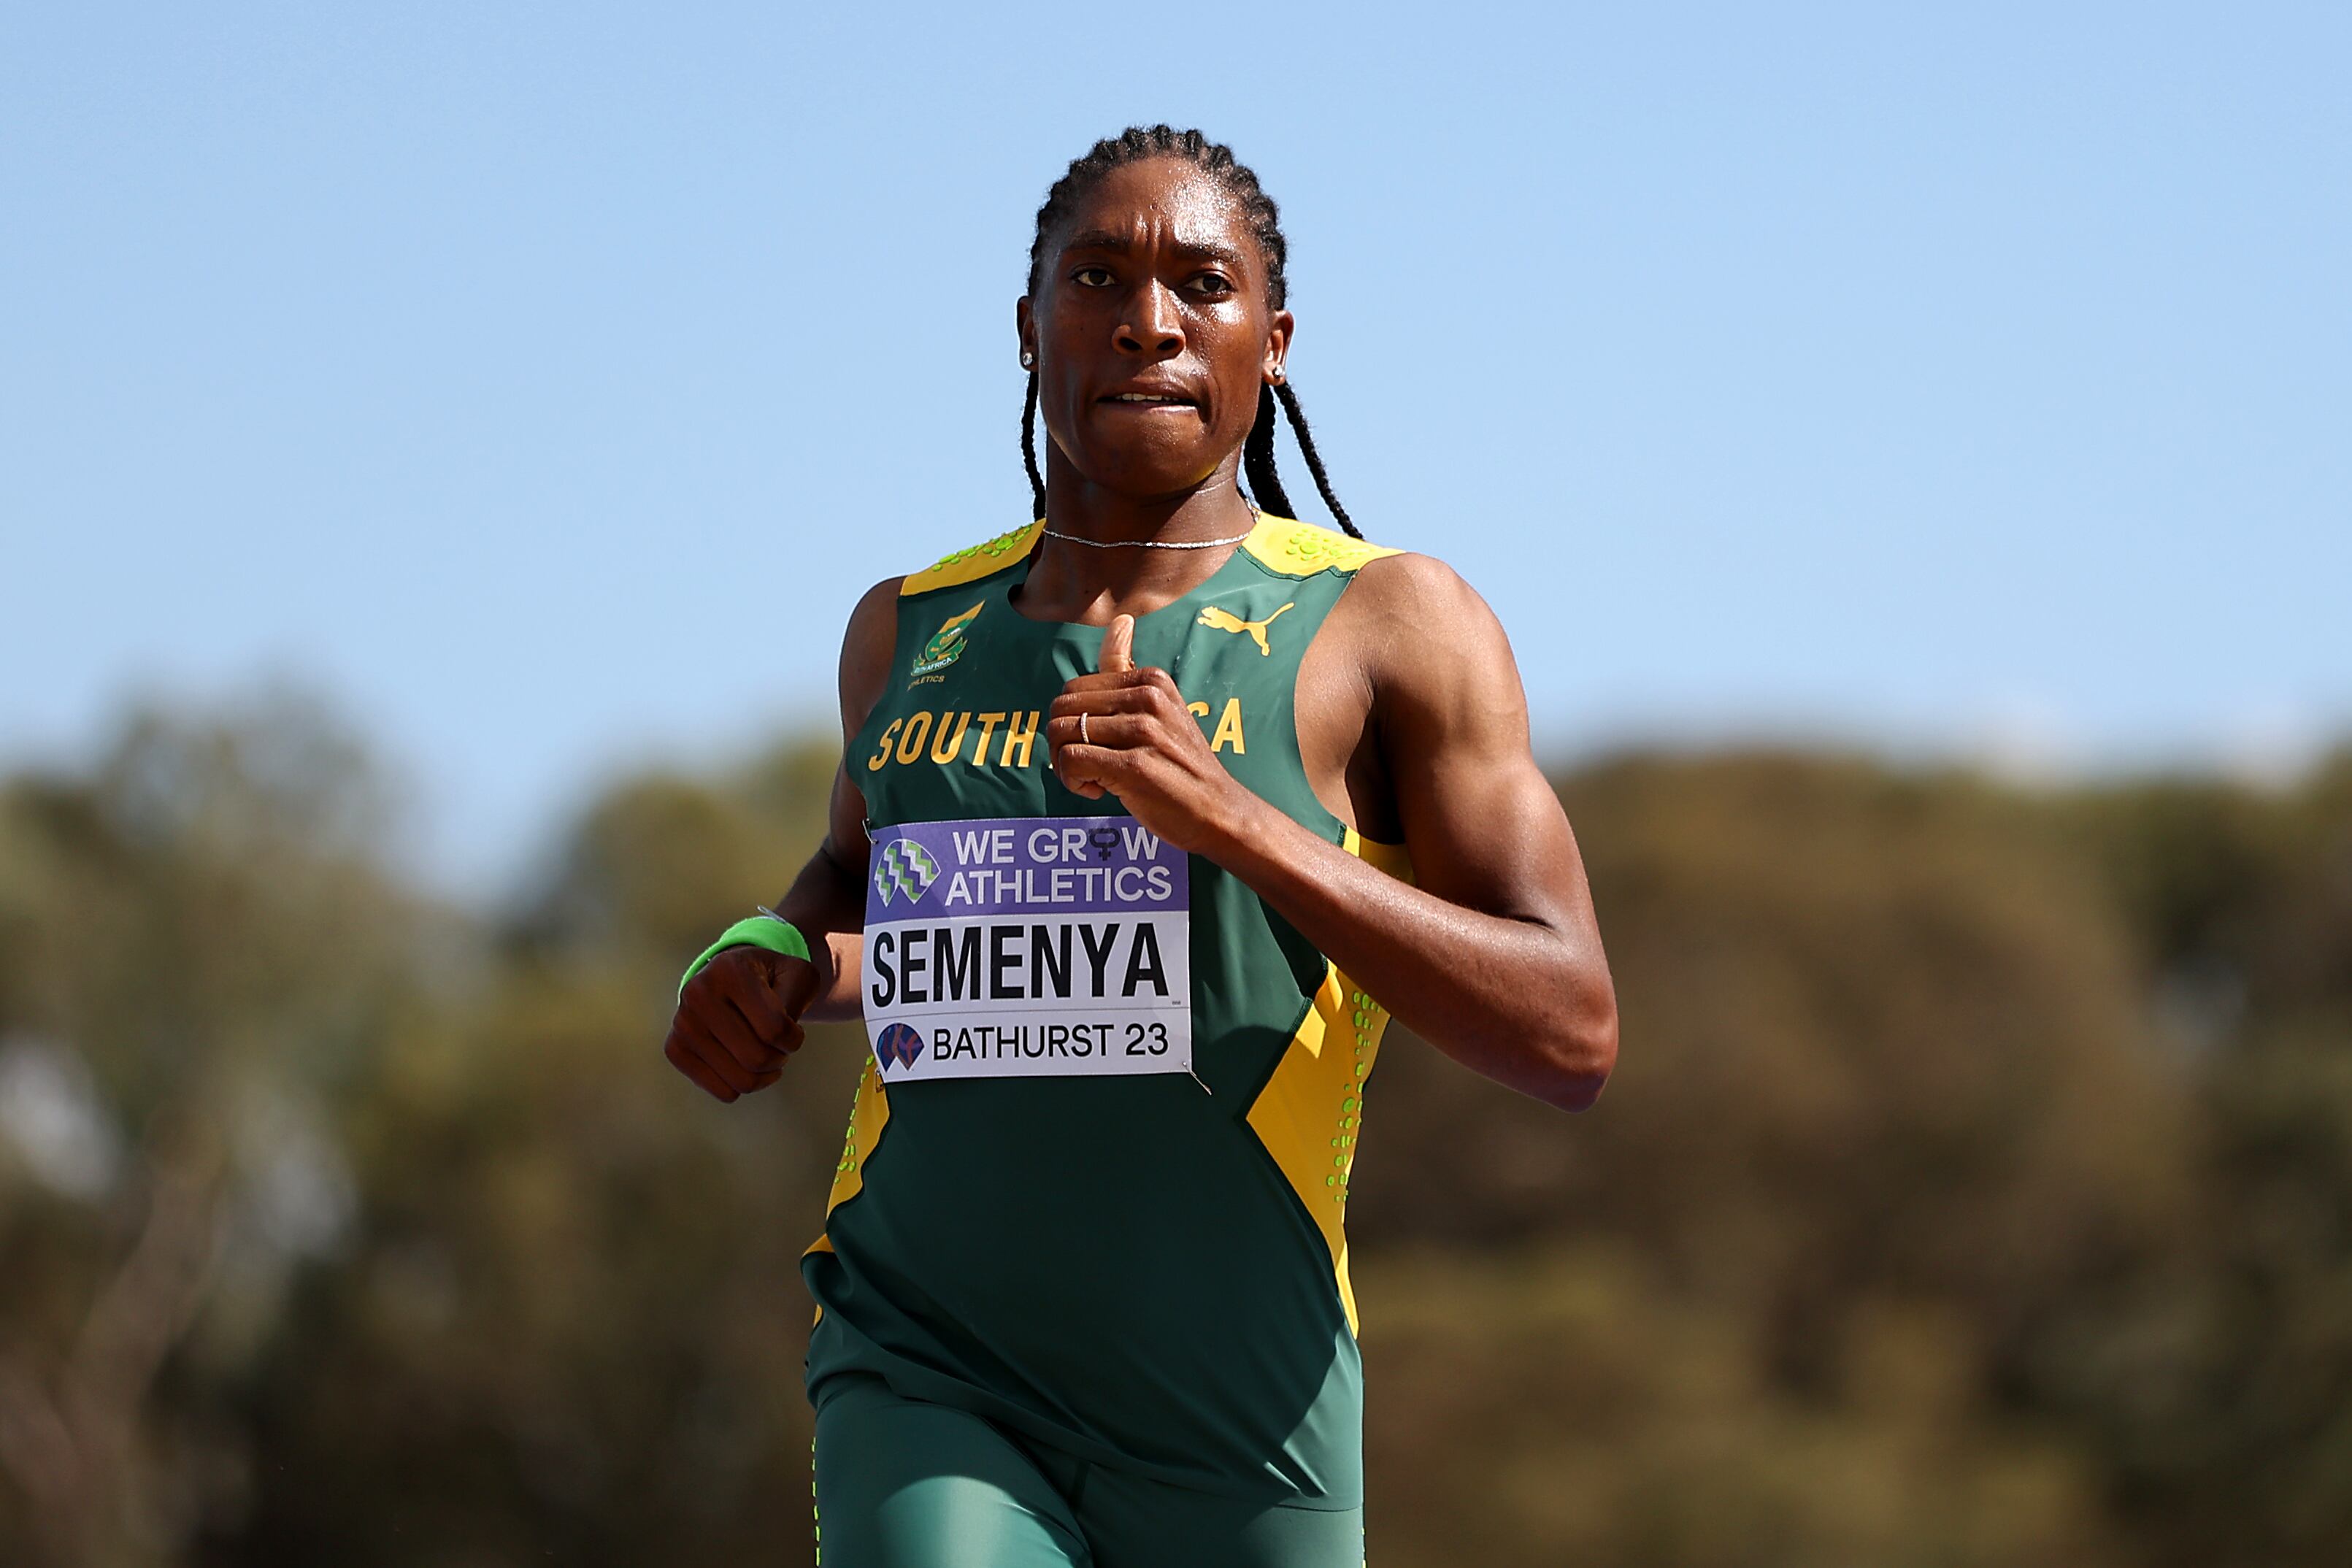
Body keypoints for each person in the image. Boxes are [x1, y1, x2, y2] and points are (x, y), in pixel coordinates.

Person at [662, 125, 1618, 1568]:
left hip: (1245, 1415)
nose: (1148, 320)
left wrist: (1229, 819)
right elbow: (862, 889)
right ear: (1031, 327)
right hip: (930, 1360)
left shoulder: (1396, 629)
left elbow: (1571, 1029)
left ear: (1274, 338)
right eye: (1098, 277)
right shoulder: (906, 631)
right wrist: (764, 953)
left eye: (1202, 283)